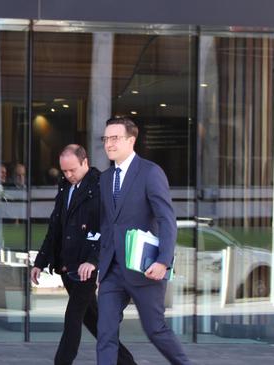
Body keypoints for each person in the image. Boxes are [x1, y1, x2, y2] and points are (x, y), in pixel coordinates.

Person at [97, 117, 191, 365]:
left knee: (155, 330)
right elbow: (108, 224)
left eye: (114, 138)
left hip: (144, 269)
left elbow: (166, 219)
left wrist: (163, 261)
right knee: (104, 333)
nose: (109, 143)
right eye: (106, 138)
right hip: (112, 272)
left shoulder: (150, 172)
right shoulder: (106, 179)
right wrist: (99, 262)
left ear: (131, 140)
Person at [31, 144, 136, 365]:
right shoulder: (64, 188)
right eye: (64, 171)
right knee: (95, 322)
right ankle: (126, 362)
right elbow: (55, 228)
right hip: (67, 267)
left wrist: (93, 261)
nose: (68, 175)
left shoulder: (101, 188)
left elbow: (110, 229)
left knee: (72, 319)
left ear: (85, 162)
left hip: (86, 270)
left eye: (72, 170)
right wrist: (40, 261)